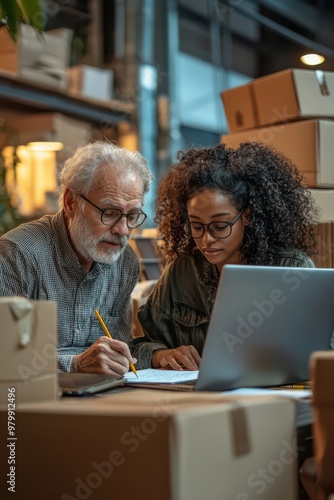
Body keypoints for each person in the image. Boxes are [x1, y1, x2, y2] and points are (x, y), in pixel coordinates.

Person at [131, 141, 319, 371]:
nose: (206, 239)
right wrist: (160, 355)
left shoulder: (292, 270)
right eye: (196, 226)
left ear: (247, 216)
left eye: (219, 226)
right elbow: (138, 346)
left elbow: (322, 357)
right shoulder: (182, 269)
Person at [0, 141, 153, 375]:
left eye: (132, 215)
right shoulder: (17, 254)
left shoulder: (125, 262)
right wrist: (74, 364)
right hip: (28, 401)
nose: (123, 230)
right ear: (71, 203)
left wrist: (156, 355)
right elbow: (5, 356)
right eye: (109, 213)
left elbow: (121, 350)